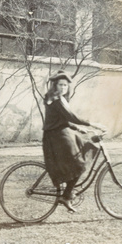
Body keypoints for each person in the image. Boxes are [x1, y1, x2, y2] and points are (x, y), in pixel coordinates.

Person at [42, 70, 104, 213]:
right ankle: (67, 195)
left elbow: (62, 120)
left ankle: (68, 191)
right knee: (79, 163)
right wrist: (93, 124)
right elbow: (71, 117)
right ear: (55, 86)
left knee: (85, 147)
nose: (63, 88)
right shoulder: (56, 100)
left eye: (65, 85)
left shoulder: (60, 99)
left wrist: (78, 128)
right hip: (57, 137)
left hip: (61, 133)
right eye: (60, 85)